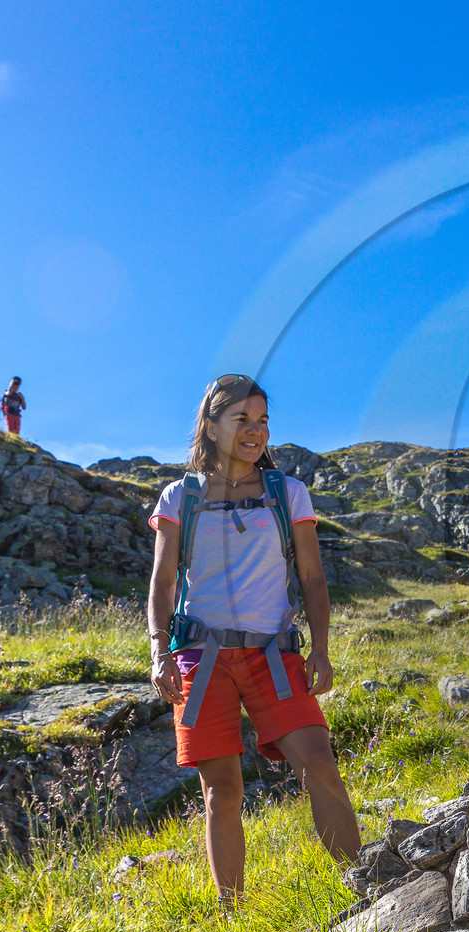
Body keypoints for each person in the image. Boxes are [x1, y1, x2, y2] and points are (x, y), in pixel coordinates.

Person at [146, 374, 359, 903]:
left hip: (275, 654)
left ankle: (366, 890)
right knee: (221, 790)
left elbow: (312, 578)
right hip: (199, 658)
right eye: (241, 419)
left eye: (262, 420)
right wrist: (158, 652)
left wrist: (322, 649)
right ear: (211, 424)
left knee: (320, 764)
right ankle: (232, 918)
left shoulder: (288, 493)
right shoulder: (180, 496)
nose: (255, 431)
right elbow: (163, 581)